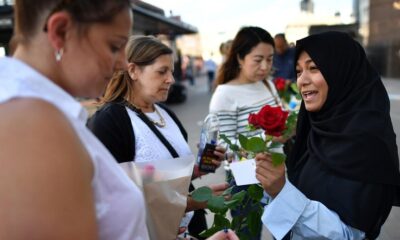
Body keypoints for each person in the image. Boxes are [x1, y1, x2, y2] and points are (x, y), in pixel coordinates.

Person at [0, 1, 239, 240]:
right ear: (61, 31)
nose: (123, 64)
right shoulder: (31, 124)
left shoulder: (44, 113)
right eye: (114, 46)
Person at [256, 31, 400, 240]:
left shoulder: (368, 145)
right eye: (298, 71)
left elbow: (349, 234)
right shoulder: (317, 128)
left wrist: (282, 192)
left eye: (313, 68)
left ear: (342, 72)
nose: (302, 81)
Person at [88, 35, 227, 239]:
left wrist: (198, 169)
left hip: (191, 229)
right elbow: (114, 197)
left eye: (171, 71)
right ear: (133, 70)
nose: (171, 79)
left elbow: (161, 176)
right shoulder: (109, 122)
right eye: (162, 71)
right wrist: (190, 202)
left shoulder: (166, 113)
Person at [209, 26, 281, 240]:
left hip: (277, 170)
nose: (265, 66)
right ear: (240, 57)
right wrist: (269, 139)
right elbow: (226, 146)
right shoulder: (225, 94)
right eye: (258, 59)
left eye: (270, 59)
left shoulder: (267, 84)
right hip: (245, 180)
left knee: (286, 229)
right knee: (248, 234)